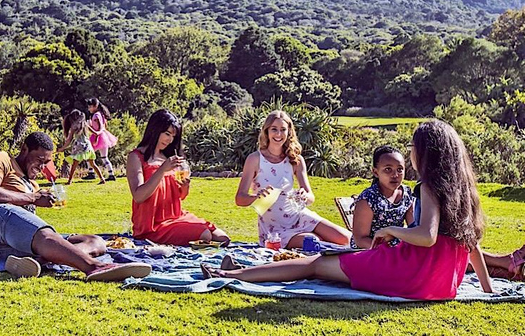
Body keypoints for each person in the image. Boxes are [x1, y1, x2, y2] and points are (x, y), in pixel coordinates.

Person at [203, 120, 494, 300]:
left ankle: (232, 275)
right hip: (443, 284)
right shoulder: (464, 190)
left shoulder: (428, 187)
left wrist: (390, 230)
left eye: (413, 147)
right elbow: (472, 244)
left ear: (426, 152)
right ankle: (239, 272)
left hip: (412, 276)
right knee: (332, 258)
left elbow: (427, 236)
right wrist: (487, 289)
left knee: (316, 263)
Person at [0, 131, 151, 281]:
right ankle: (94, 267)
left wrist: (37, 197)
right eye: (39, 160)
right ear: (24, 150)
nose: (42, 167)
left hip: (21, 243)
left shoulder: (34, 185)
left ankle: (39, 262)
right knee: (25, 221)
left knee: (95, 242)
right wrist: (33, 198)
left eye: (46, 163)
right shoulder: (3, 159)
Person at [234, 110, 350, 249]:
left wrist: (304, 196)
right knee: (312, 242)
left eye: (283, 129)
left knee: (346, 239)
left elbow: (310, 197)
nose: (278, 134)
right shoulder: (255, 159)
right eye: (274, 129)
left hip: (300, 216)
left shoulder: (296, 159)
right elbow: (239, 199)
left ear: (289, 132)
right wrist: (256, 197)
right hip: (274, 229)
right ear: (266, 131)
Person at [127, 109, 230, 246]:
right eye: (167, 134)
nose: (170, 140)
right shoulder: (136, 157)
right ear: (155, 129)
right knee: (204, 235)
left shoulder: (167, 157)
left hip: (176, 216)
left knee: (223, 238)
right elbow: (138, 196)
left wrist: (185, 187)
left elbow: (180, 196)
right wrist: (162, 170)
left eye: (173, 136)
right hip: (153, 225)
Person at [350, 146, 414, 249]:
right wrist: (387, 253)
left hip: (396, 250)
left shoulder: (406, 194)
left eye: (400, 169)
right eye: (388, 169)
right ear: (375, 172)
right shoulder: (368, 199)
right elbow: (360, 239)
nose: (395, 175)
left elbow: (413, 227)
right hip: (369, 251)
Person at [58, 109, 105, 185]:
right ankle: (102, 179)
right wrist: (102, 130)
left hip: (79, 146)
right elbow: (96, 133)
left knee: (74, 164)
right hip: (87, 146)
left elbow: (69, 140)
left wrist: (62, 148)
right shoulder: (85, 124)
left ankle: (69, 181)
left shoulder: (74, 127)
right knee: (93, 164)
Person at [87, 97, 119, 181]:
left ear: (95, 106)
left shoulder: (96, 115)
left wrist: (96, 136)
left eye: (90, 106)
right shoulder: (101, 114)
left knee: (89, 154)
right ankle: (111, 173)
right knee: (104, 157)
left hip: (98, 136)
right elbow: (104, 126)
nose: (89, 108)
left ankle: (91, 172)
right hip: (103, 136)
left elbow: (100, 127)